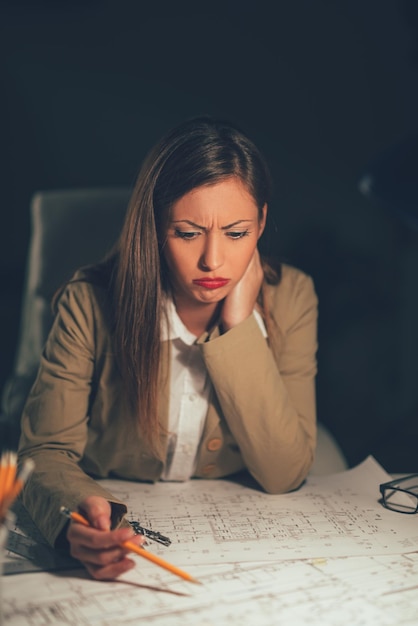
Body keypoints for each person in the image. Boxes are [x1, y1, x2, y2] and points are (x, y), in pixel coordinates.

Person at [18, 116, 318, 580]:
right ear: (156, 226)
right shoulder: (88, 302)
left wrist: (238, 325)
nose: (213, 261)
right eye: (187, 232)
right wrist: (79, 514)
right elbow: (47, 450)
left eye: (236, 234)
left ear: (261, 222)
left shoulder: (294, 296)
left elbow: (285, 473)